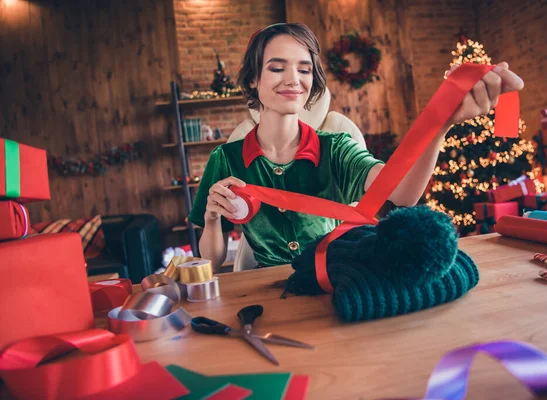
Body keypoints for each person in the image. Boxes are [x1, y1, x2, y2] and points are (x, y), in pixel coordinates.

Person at [188, 23, 524, 272]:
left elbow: (402, 194)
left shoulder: (335, 148)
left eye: (304, 69)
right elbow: (210, 261)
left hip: (329, 276)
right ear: (253, 79)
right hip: (259, 287)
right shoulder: (227, 158)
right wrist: (212, 218)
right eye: (277, 68)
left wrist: (442, 123)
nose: (293, 79)